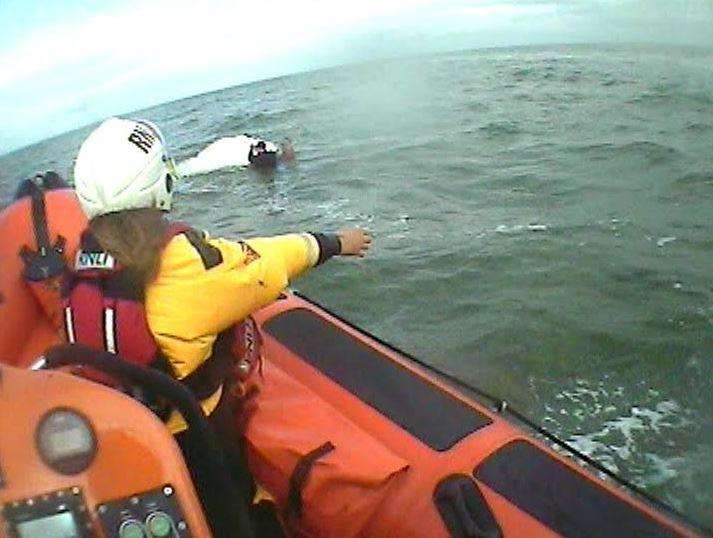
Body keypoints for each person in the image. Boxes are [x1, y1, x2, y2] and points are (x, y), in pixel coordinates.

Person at [65, 117, 372, 534]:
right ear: (160, 183)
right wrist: (335, 242)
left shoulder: (82, 266)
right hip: (197, 446)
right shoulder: (182, 262)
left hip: (134, 441)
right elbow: (269, 262)